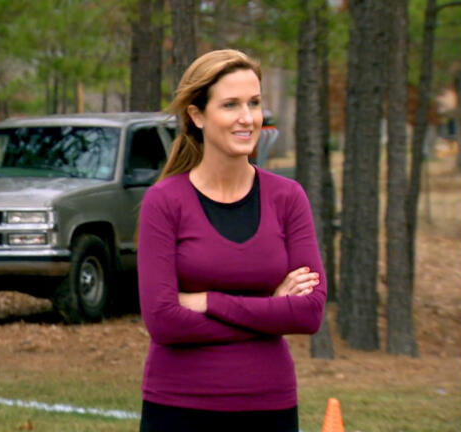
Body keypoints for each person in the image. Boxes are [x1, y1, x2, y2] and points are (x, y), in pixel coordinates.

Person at [137, 49, 326, 431]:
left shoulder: (287, 197)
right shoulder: (164, 201)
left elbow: (309, 312)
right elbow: (163, 322)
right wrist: (271, 310)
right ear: (197, 115)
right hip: (178, 408)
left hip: (269, 406)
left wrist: (208, 301)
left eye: (254, 103)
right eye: (230, 105)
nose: (247, 117)